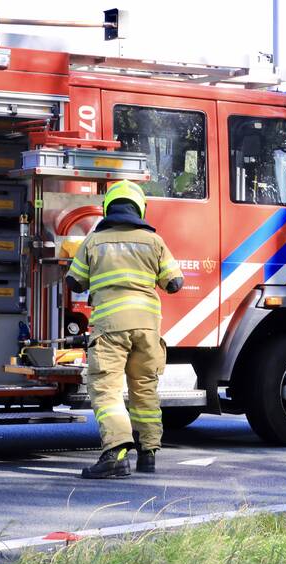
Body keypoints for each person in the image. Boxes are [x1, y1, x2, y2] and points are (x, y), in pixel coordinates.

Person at [66, 180, 184, 479]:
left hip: (110, 330)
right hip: (146, 329)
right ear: (139, 208)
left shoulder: (94, 241)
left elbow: (74, 281)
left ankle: (116, 453)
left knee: (107, 389)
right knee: (144, 390)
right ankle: (148, 453)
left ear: (109, 208)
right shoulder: (153, 241)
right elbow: (174, 282)